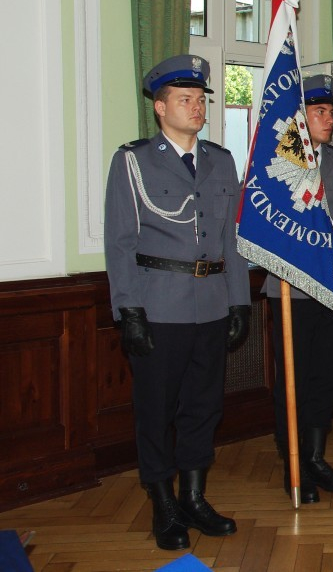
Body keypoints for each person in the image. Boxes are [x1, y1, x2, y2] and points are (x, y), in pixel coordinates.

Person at [104, 54, 251, 551]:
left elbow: (231, 240)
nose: (197, 107)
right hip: (158, 308)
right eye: (185, 99)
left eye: (200, 99)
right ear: (160, 108)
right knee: (156, 410)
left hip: (210, 304)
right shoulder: (133, 161)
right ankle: (162, 504)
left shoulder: (221, 161)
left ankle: (193, 496)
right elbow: (121, 242)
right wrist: (128, 311)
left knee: (203, 408)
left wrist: (240, 302)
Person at [263, 74, 333, 503]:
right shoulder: (277, 159)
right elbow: (265, 225)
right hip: (291, 291)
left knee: (325, 379)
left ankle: (317, 457)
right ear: (299, 118)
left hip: (331, 289)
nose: (328, 120)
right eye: (319, 112)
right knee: (294, 381)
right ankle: (294, 463)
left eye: (331, 113)